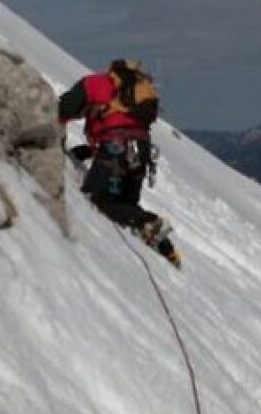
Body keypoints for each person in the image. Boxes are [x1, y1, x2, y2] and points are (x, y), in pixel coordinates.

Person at [58, 59, 181, 267]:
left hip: (116, 149)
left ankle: (148, 222)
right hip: (140, 153)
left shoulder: (95, 83)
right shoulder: (133, 94)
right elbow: (120, 124)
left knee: (98, 198)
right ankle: (164, 247)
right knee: (125, 205)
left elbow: (63, 109)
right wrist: (86, 152)